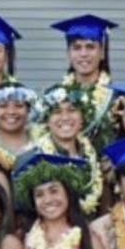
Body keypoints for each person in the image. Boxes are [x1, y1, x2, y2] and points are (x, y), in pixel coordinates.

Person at [32, 87, 106, 218]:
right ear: (46, 120)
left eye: (72, 110)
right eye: (57, 112)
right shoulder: (34, 159)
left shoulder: (93, 155)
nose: (65, 117)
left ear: (82, 117)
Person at [48, 15, 117, 143]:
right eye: (77, 48)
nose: (83, 54)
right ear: (68, 54)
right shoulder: (53, 97)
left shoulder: (116, 97)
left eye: (90, 47)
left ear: (102, 52)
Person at [0, 84, 38, 173]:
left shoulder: (42, 143)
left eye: (19, 106)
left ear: (28, 110)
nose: (11, 111)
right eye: (3, 106)